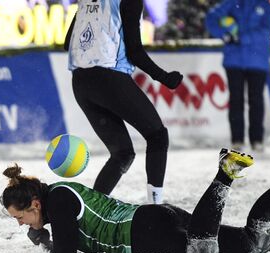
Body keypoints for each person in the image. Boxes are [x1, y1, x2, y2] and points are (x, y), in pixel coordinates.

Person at [1, 147, 270, 253]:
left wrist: (40, 238)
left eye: (20, 216)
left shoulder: (58, 199)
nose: (20, 224)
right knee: (253, 243)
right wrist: (41, 230)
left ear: (34, 202)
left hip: (143, 232)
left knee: (201, 250)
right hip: (155, 218)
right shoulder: (57, 198)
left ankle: (225, 174)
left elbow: (64, 252)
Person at [64, 0, 183, 204]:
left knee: (122, 153)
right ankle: (156, 207)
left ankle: (92, 210)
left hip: (81, 82)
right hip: (109, 77)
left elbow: (68, 42)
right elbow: (135, 51)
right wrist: (164, 77)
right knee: (157, 136)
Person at [206, 0, 270, 152]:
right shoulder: (231, 2)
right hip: (234, 61)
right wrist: (225, 35)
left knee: (256, 100)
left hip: (257, 61)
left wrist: (240, 38)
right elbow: (211, 18)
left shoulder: (264, 5)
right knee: (236, 100)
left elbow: (266, 30)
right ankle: (237, 140)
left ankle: (257, 140)